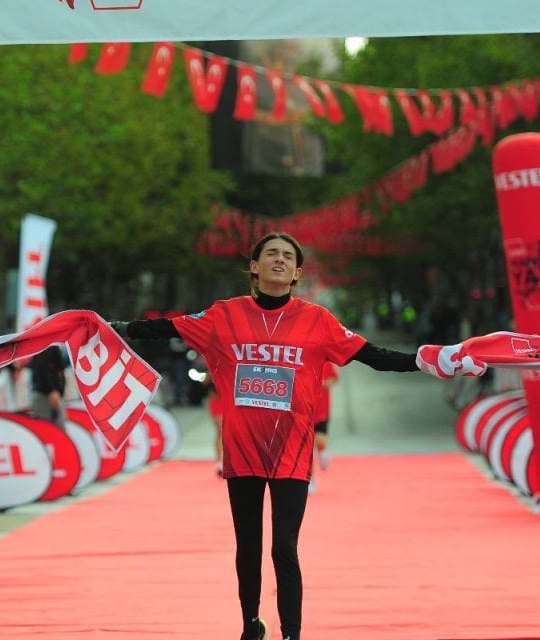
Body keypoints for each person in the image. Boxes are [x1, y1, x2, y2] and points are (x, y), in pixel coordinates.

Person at [111, 232, 421, 640]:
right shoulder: (223, 315)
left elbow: (377, 358)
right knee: (249, 547)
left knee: (283, 548)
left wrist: (434, 360)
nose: (279, 260)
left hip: (292, 450)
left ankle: (291, 633)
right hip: (241, 450)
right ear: (254, 268)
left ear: (297, 272)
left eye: (287, 256)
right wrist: (108, 327)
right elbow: (164, 328)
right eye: (270, 254)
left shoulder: (318, 321)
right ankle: (249, 625)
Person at [309, 361, 338, 493]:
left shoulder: (326, 363)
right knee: (307, 448)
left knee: (320, 439)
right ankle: (310, 479)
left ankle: (322, 452)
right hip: (305, 411)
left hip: (322, 410)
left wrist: (326, 384)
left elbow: (334, 378)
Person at [29, 344, 69, 426]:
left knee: (59, 429)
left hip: (54, 393)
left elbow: (60, 370)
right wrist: (52, 390)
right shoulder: (45, 344)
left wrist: (60, 392)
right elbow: (40, 368)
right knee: (45, 428)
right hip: (44, 393)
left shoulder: (55, 346)